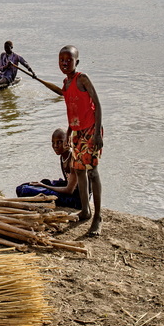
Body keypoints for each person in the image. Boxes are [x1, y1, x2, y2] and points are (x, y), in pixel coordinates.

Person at [32, 45, 104, 236]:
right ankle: (85, 210)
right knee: (79, 171)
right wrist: (71, 131)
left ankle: (97, 217)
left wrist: (97, 133)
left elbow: (97, 104)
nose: (64, 63)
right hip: (77, 132)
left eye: (68, 60)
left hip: (90, 131)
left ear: (76, 62)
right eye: (61, 60)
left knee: (92, 173)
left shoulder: (82, 78)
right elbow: (69, 103)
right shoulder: (66, 82)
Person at [15, 128, 85, 210]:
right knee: (25, 186)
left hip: (75, 200)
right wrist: (44, 184)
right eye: (53, 142)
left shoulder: (73, 159)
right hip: (68, 190)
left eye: (59, 142)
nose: (55, 146)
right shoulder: (63, 157)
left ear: (68, 142)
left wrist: (44, 186)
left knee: (24, 190)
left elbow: (69, 190)